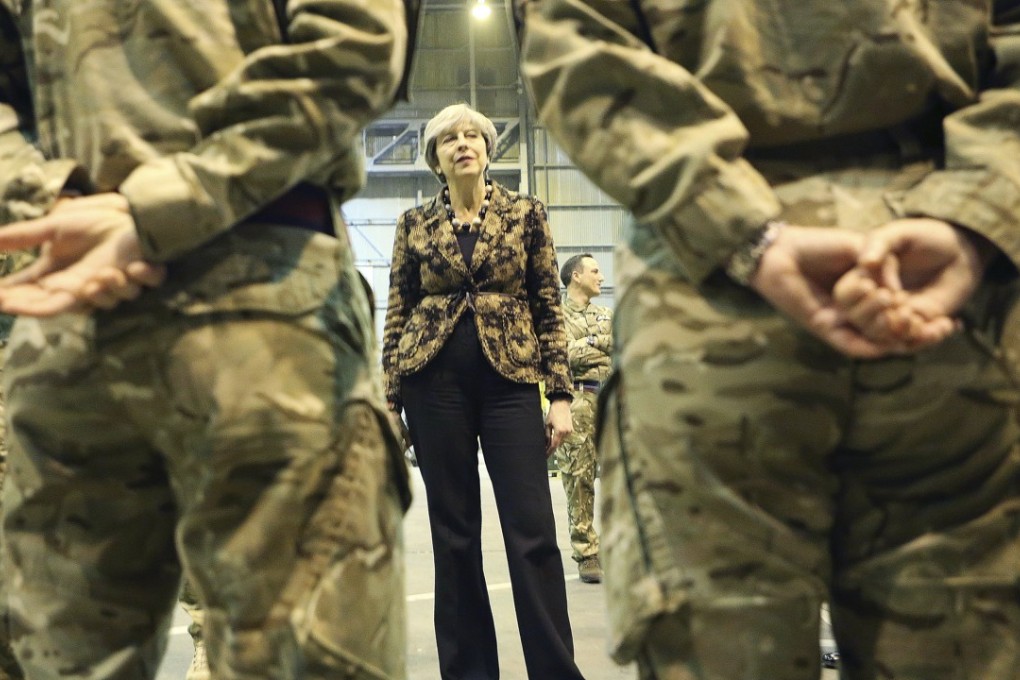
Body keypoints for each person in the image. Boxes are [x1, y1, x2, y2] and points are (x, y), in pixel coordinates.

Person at [520, 2, 1020, 679]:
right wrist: (974, 220)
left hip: (711, 312)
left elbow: (576, 42)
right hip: (948, 310)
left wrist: (741, 227)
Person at [0, 2, 413, 679]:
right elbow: (354, 43)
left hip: (74, 290)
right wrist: (166, 201)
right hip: (257, 294)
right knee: (303, 658)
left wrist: (49, 201)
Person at [382, 102, 585, 680]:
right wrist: (389, 401)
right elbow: (397, 313)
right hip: (431, 384)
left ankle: (555, 671)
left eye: (473, 135)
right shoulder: (413, 223)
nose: (463, 144)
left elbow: (548, 306)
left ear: (489, 150)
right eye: (450, 138)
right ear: (436, 158)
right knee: (453, 536)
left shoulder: (526, 213)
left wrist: (560, 396)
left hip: (510, 385)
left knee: (533, 530)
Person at [556, 253, 612, 584]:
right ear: (575, 276)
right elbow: (562, 354)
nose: (601, 277)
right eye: (595, 271)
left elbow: (621, 344)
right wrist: (599, 345)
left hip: (612, 399)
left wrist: (588, 341)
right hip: (576, 401)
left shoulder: (605, 315)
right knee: (579, 479)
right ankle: (587, 553)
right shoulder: (555, 316)